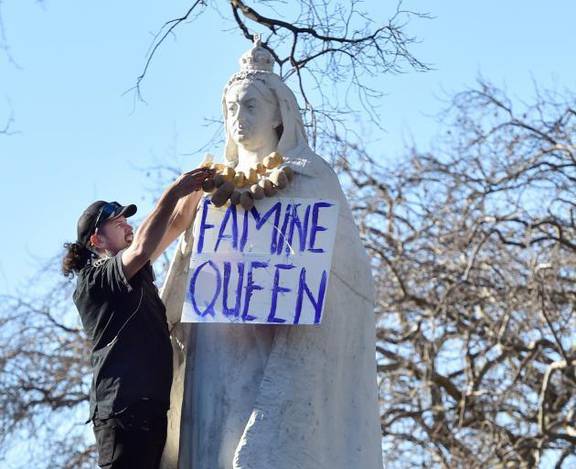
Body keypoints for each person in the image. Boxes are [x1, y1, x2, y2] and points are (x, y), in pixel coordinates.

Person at [160, 39, 383, 469]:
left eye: (250, 107)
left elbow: (348, 273)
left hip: (277, 346)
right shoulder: (208, 193)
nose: (238, 119)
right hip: (214, 345)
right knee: (211, 446)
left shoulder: (310, 179)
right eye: (231, 108)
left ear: (280, 113)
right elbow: (186, 267)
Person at [62, 167, 213, 468]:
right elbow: (143, 247)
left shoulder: (132, 273)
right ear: (97, 240)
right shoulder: (96, 281)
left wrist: (201, 183)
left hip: (148, 410)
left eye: (127, 220)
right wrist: (173, 191)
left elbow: (176, 222)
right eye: (118, 223)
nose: (127, 226)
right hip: (122, 413)